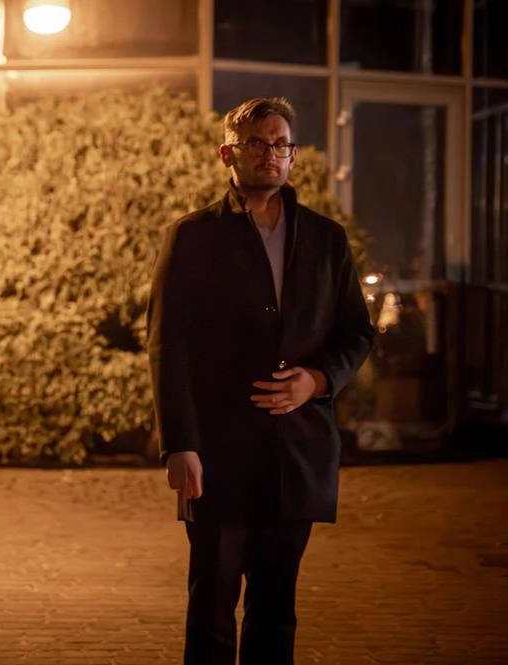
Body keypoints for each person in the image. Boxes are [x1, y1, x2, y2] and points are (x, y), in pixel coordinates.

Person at [147, 97, 374, 665]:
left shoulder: (326, 239)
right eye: (256, 143)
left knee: (276, 611)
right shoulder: (193, 236)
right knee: (211, 607)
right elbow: (168, 345)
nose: (270, 154)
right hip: (217, 454)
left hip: (296, 453)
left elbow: (356, 332)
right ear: (228, 153)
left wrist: (317, 380)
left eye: (280, 144)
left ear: (292, 156)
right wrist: (180, 444)